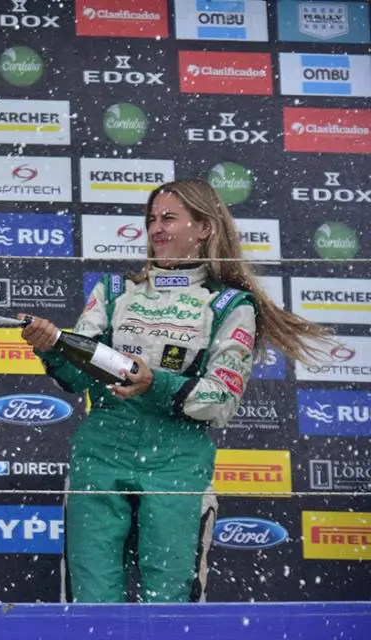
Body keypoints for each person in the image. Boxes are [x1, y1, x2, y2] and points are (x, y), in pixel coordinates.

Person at [20, 178, 332, 604]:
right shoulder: (114, 292)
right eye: (151, 219)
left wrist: (156, 383)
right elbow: (77, 378)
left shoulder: (229, 305)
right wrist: (51, 348)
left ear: (204, 228)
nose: (156, 229)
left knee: (170, 609)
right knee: (91, 606)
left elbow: (221, 402)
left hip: (177, 467)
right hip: (100, 458)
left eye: (169, 218)